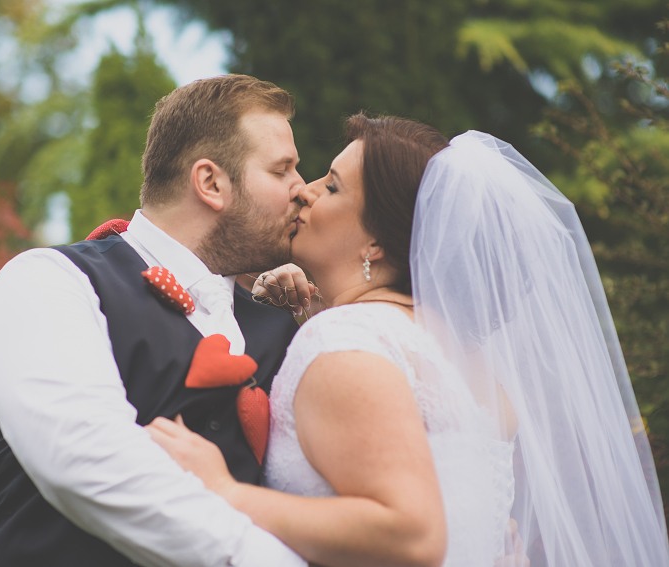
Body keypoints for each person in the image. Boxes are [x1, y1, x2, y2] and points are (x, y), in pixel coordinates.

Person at [147, 114, 669, 566]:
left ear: (375, 241)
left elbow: (412, 534)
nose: (305, 190)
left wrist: (226, 492)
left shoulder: (345, 342)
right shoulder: (466, 362)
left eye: (333, 187)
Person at [0, 74, 313, 566]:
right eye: (282, 170)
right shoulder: (49, 281)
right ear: (211, 183)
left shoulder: (281, 324)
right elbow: (86, 460)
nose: (304, 190)